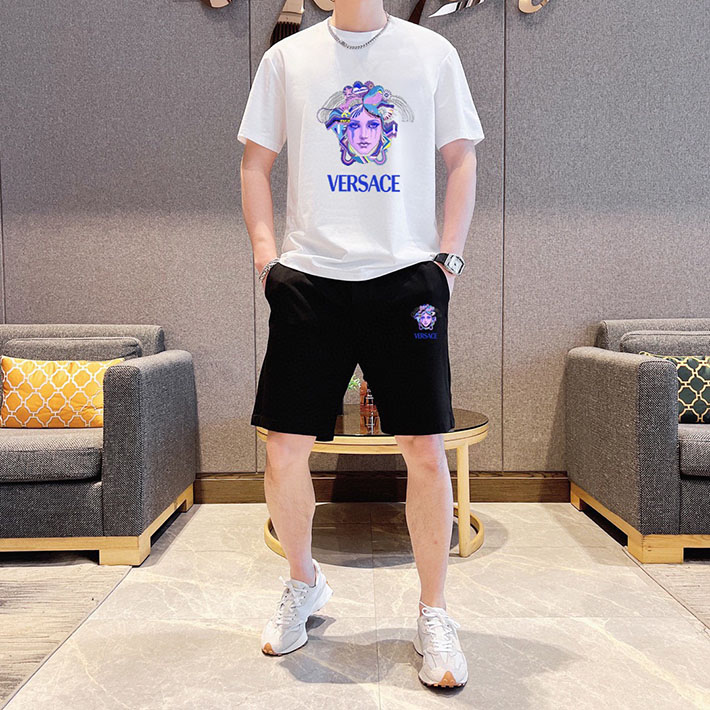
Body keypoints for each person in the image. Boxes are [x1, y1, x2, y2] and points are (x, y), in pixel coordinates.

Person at [238, 0, 484, 689]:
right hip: (309, 280)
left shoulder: (431, 54)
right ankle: (303, 583)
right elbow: (255, 163)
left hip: (405, 279)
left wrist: (448, 262)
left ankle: (434, 613)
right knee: (284, 448)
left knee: (424, 449)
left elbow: (461, 158)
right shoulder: (287, 58)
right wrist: (267, 260)